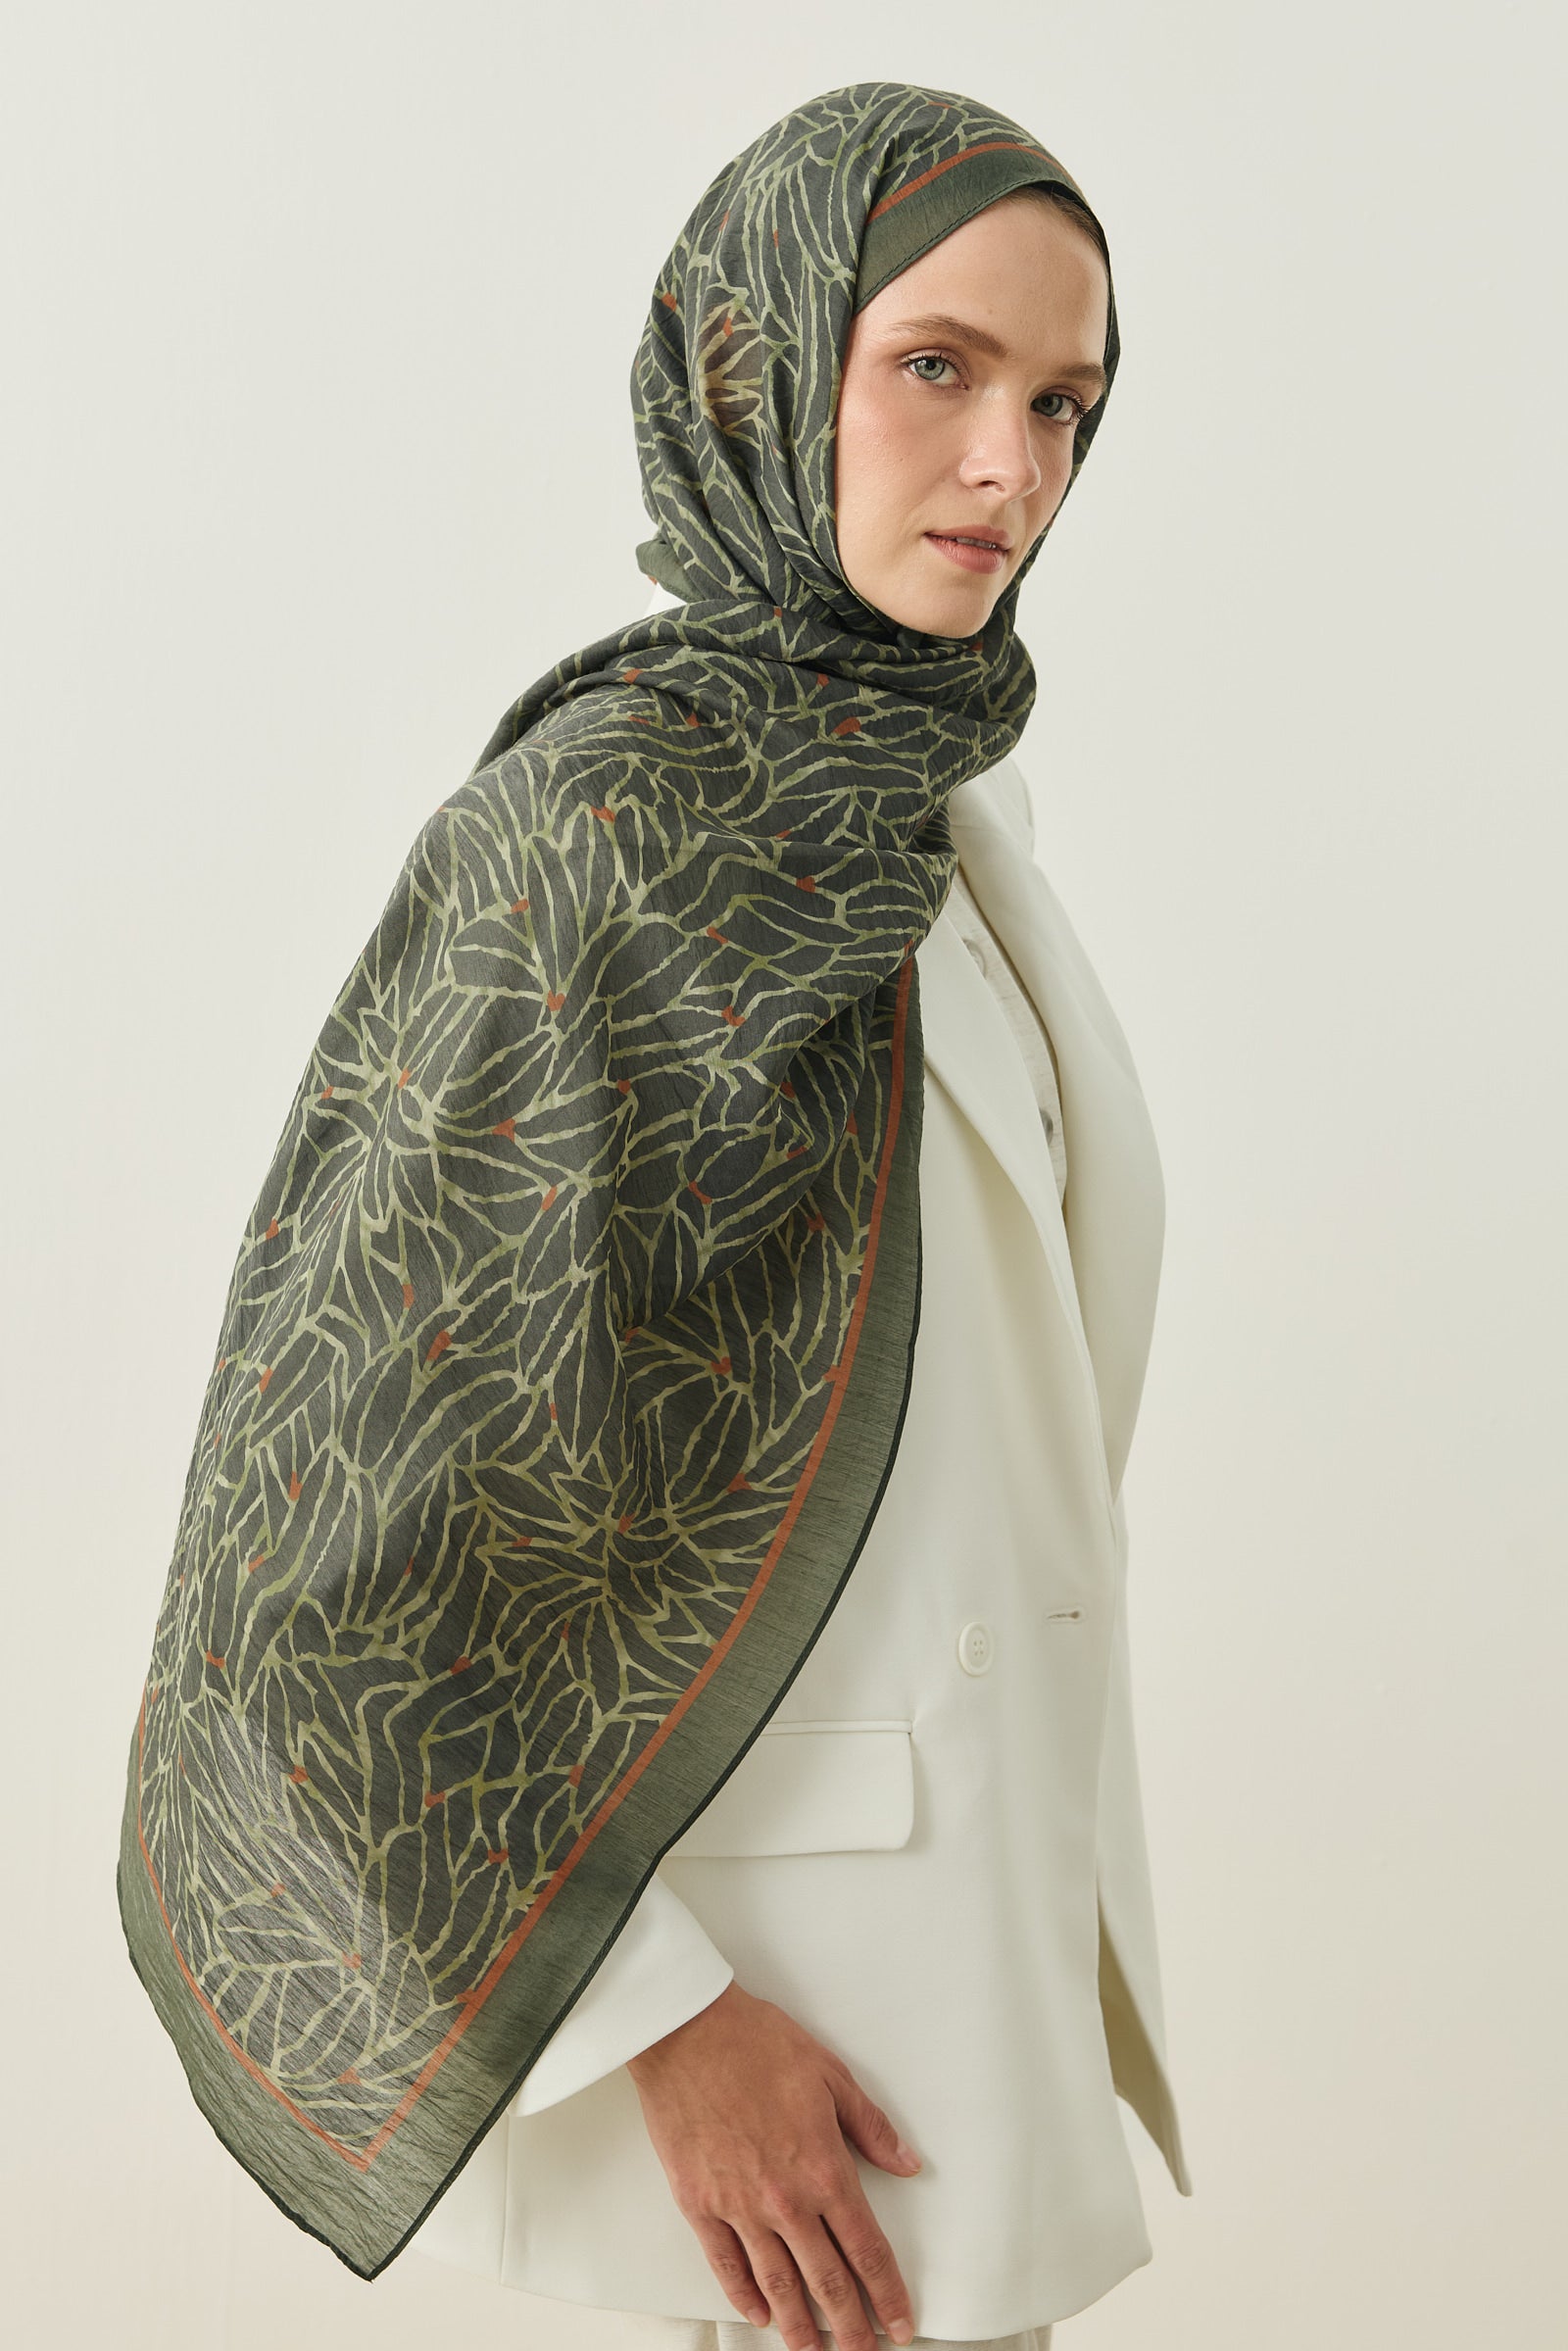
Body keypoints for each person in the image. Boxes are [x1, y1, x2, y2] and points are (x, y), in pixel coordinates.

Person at [117, 78, 1187, 2351]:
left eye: (1060, 403)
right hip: (769, 2049)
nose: (1008, 467)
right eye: (936, 368)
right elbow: (325, 1561)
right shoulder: (593, 832)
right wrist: (654, 2029)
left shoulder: (934, 805)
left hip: (965, 1957)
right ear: (751, 361)